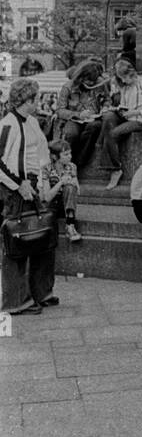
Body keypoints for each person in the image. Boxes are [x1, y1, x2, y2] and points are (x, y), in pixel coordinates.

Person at [0, 78, 57, 315]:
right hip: (16, 189)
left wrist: (42, 183)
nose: (37, 102)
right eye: (34, 98)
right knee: (17, 241)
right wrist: (17, 185)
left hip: (33, 185)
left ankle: (41, 292)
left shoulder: (32, 121)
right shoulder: (8, 124)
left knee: (43, 236)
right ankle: (16, 300)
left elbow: (41, 156)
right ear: (26, 100)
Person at [100, 61, 142, 190]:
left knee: (113, 134)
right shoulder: (124, 87)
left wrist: (134, 112)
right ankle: (110, 162)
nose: (124, 81)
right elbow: (124, 104)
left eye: (124, 78)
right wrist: (117, 109)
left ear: (131, 74)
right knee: (108, 117)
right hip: (129, 116)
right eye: (121, 79)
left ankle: (116, 169)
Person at [56, 59, 109, 170]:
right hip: (74, 119)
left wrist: (105, 107)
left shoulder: (100, 83)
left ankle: (77, 163)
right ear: (81, 77)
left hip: (94, 119)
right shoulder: (67, 87)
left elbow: (107, 100)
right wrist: (78, 114)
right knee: (71, 133)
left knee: (94, 127)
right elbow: (60, 110)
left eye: (93, 82)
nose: (91, 84)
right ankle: (64, 164)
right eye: (88, 81)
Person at [46, 139, 82, 243]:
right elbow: (47, 197)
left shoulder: (72, 167)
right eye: (66, 154)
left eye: (70, 153)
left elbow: (77, 191)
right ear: (55, 156)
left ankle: (70, 226)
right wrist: (61, 182)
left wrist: (73, 182)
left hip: (66, 205)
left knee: (70, 187)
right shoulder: (46, 169)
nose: (70, 156)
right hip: (51, 205)